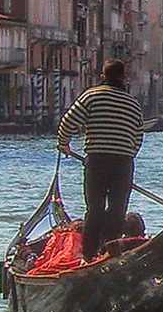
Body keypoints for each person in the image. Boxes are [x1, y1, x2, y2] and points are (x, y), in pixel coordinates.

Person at [57, 59, 144, 261]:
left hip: (97, 161)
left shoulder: (91, 96)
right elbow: (138, 137)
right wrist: (128, 153)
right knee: (117, 211)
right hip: (124, 163)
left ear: (103, 77)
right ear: (124, 79)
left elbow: (68, 122)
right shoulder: (133, 104)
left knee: (95, 209)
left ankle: (88, 256)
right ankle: (109, 253)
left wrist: (63, 143)